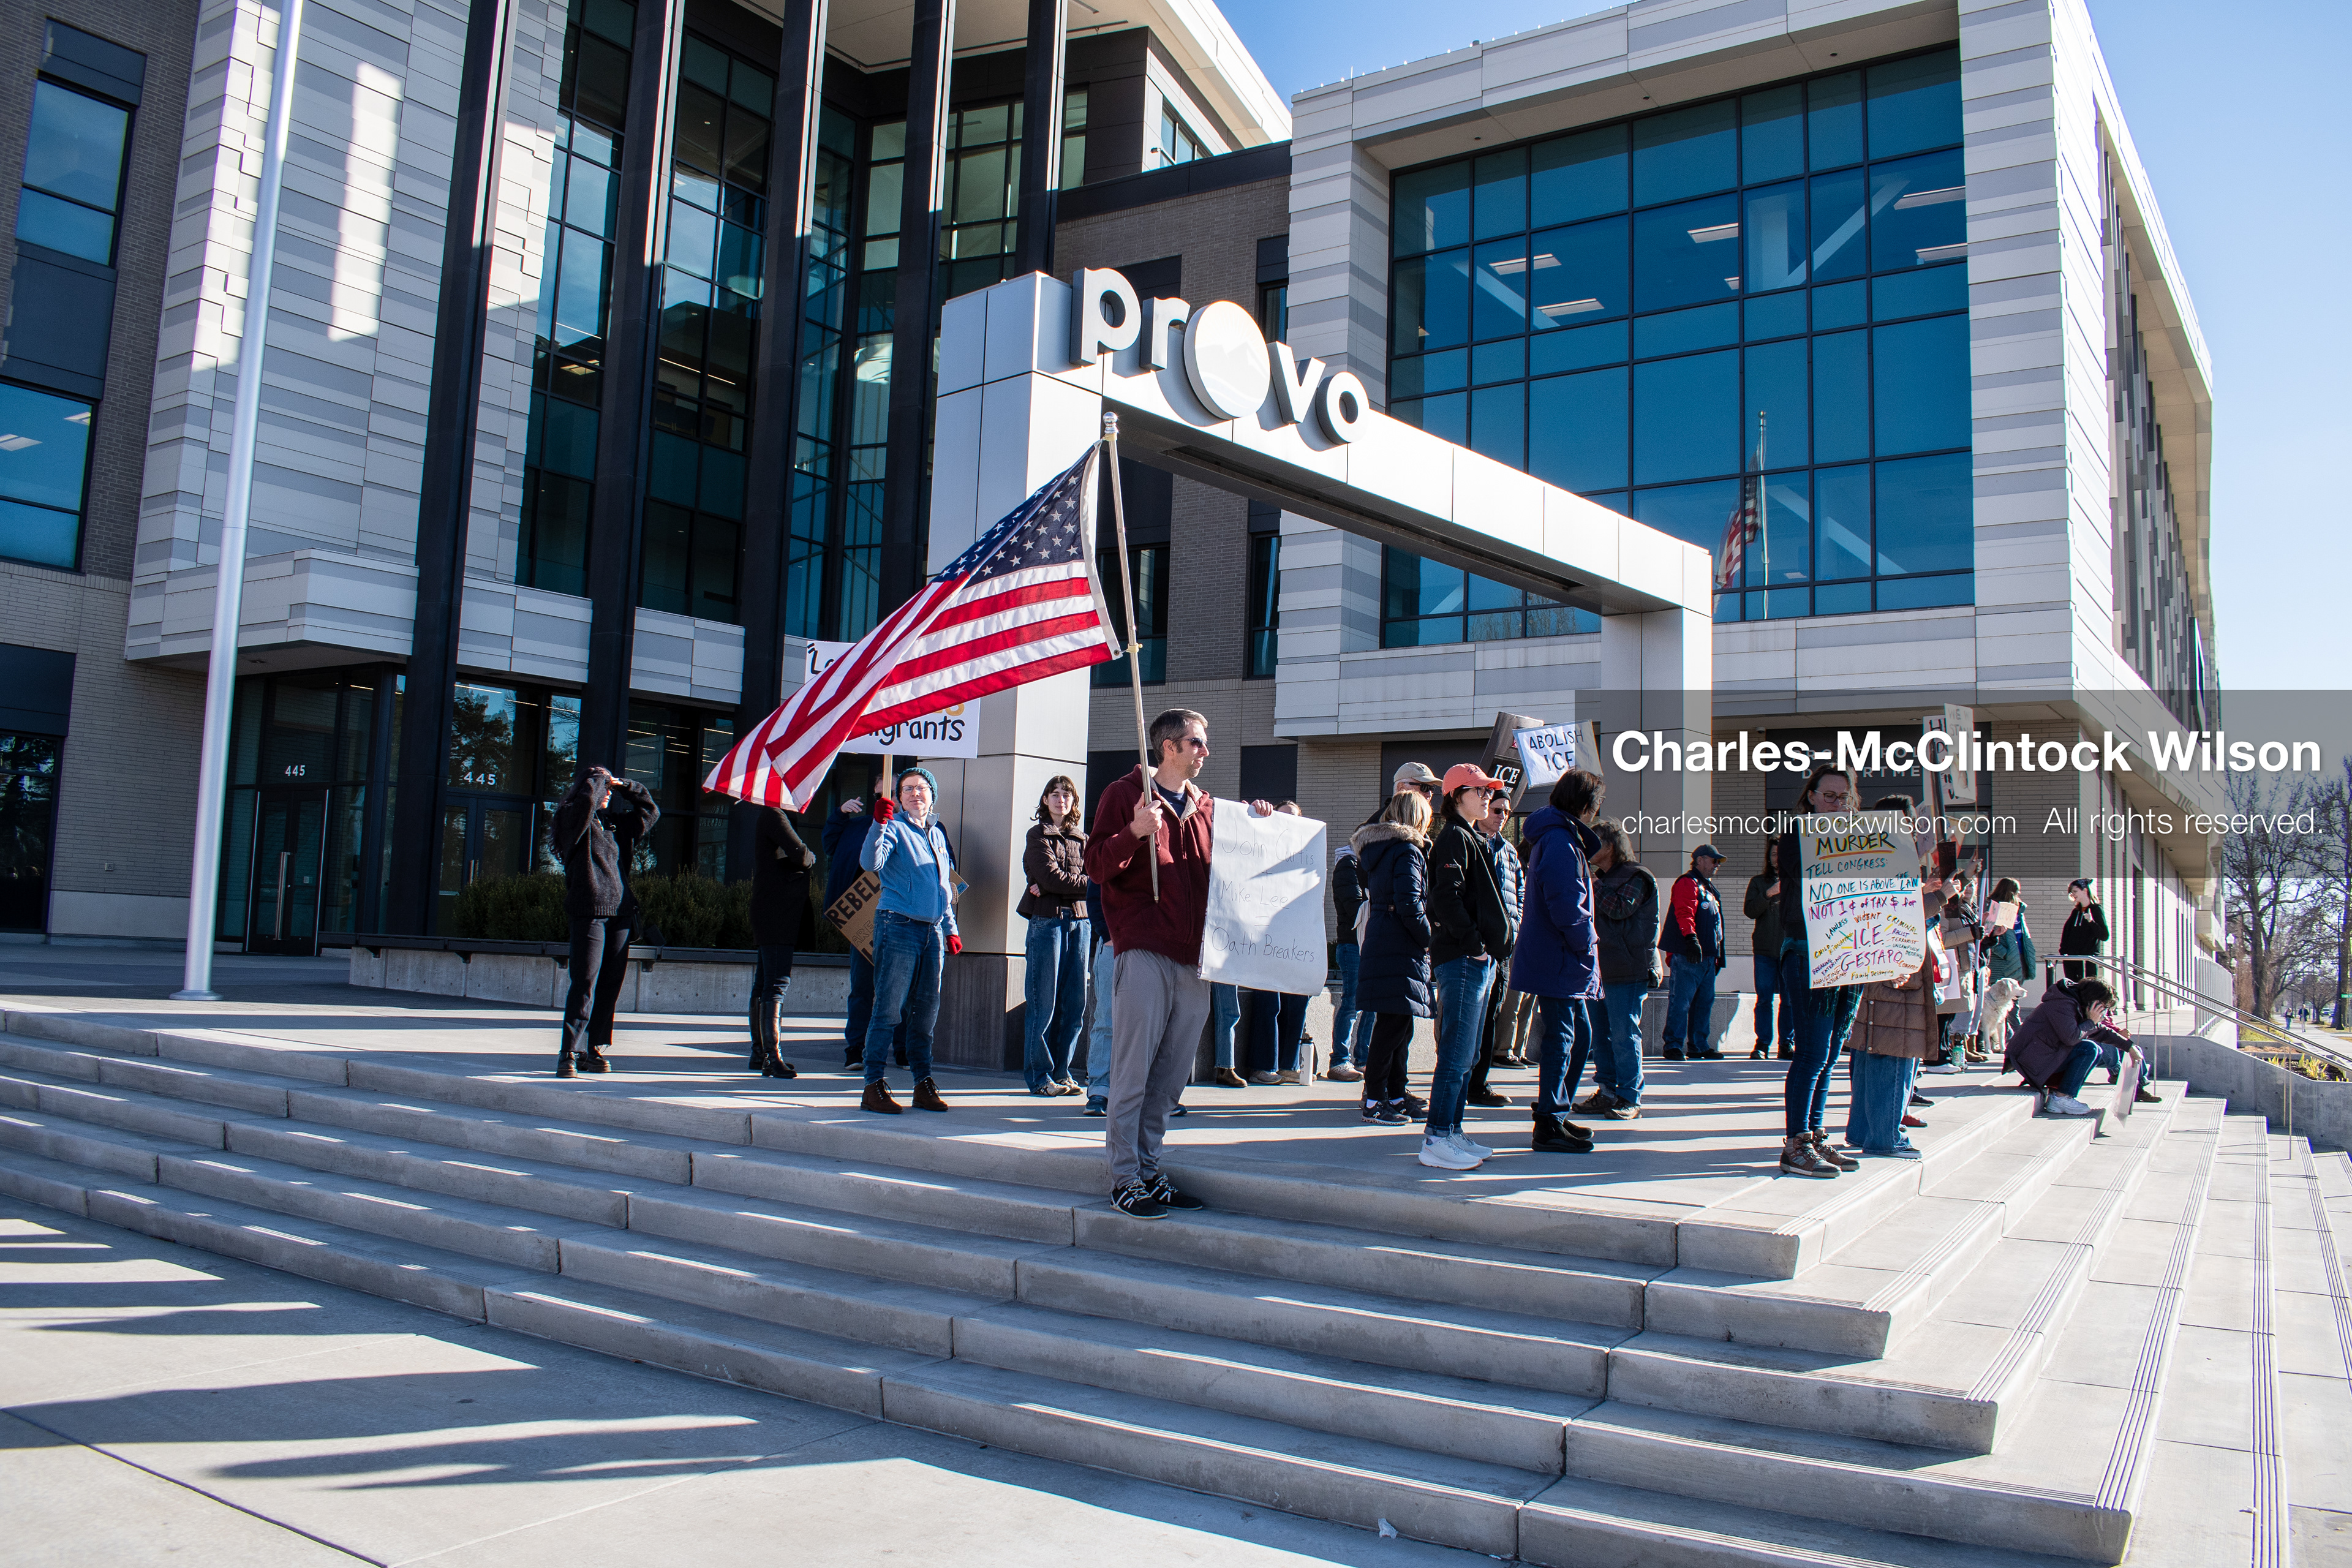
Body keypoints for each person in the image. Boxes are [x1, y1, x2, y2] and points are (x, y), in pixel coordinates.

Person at [1085, 707, 1273, 1219]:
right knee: (1132, 1073)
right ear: (1168, 747)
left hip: (1196, 959)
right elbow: (1096, 866)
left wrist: (1264, 824)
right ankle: (1124, 1178)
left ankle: (1149, 1169)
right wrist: (1132, 833)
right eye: (1196, 743)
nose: (1204, 752)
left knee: (1170, 1078)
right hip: (1144, 949)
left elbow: (1236, 867)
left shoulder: (1210, 808)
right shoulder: (1125, 796)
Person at [1423, 764, 1515, 1169]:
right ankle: (1437, 1137)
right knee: (1457, 1053)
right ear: (1457, 794)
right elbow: (1446, 898)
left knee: (1467, 1053)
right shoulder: (1455, 837)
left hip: (1474, 959)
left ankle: (1452, 1131)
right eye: (1479, 791)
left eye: (1488, 791)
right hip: (1463, 959)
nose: (1487, 798)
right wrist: (1475, 944)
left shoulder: (1467, 836)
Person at [1510, 768, 1606, 1155]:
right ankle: (1550, 1120)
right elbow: (1567, 904)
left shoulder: (1558, 837)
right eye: (1597, 804)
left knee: (1577, 1037)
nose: (1598, 811)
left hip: (1561, 956)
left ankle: (1556, 1114)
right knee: (1564, 1039)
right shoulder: (1561, 841)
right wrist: (1587, 943)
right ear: (1586, 805)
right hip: (1562, 957)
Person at [1777, 764, 1863, 1178]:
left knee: (1830, 1054)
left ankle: (1813, 1135)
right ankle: (1795, 1143)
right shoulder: (1796, 833)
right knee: (1812, 1052)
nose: (1836, 803)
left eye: (1843, 797)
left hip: (1845, 949)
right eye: (1828, 796)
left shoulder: (1860, 839)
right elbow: (1806, 873)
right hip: (1807, 950)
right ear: (1811, 796)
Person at [856, 767, 958, 1114]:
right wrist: (878, 824)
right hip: (898, 926)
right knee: (888, 1009)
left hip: (931, 933)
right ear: (898, 799)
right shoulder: (894, 827)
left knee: (926, 1012)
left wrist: (950, 928)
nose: (915, 793)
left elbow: (944, 888)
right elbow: (870, 862)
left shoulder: (938, 835)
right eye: (907, 789)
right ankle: (873, 1085)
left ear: (932, 795)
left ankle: (922, 1082)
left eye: (922, 788)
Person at [550, 764, 659, 1077]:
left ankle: (594, 1048)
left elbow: (650, 811)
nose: (608, 793)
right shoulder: (572, 820)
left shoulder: (614, 823)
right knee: (584, 981)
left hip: (621, 914)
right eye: (604, 789)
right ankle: (569, 1051)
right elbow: (584, 804)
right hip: (590, 912)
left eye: (609, 789)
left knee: (611, 983)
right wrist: (598, 779)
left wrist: (624, 783)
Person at [1352, 790, 1436, 1132]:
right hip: (1400, 945)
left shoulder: (1381, 850)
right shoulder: (1408, 850)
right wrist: (1431, 939)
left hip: (1384, 939)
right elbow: (1411, 904)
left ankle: (1395, 1095)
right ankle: (1376, 1100)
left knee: (1397, 1026)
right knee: (1392, 1029)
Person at [823, 773, 905, 1071]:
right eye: (884, 793)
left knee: (903, 990)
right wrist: (839, 815)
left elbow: (944, 865)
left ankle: (904, 1049)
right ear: (875, 793)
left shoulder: (922, 828)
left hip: (905, 920)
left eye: (896, 791)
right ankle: (855, 1049)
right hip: (866, 920)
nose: (891, 798)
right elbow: (831, 846)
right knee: (862, 988)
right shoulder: (859, 827)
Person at [1580, 820, 1656, 1119]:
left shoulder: (1638, 876)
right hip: (1600, 970)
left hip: (1628, 970)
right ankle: (1607, 1091)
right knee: (1602, 1036)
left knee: (1625, 1035)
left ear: (1611, 846)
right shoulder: (1602, 877)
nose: (1589, 848)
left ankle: (1629, 1096)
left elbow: (1619, 908)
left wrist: (1592, 883)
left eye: (1595, 841)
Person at [1020, 775, 1090, 1096]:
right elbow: (1050, 879)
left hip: (1081, 924)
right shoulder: (1037, 835)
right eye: (1055, 794)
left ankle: (1062, 1073)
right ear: (1045, 800)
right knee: (1043, 1003)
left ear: (1074, 802)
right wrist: (1088, 885)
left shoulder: (1085, 839)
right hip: (1048, 923)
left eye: (1067, 795)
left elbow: (1094, 875)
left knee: (1075, 1004)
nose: (1061, 800)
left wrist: (1059, 883)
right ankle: (1040, 1077)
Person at [1465, 790, 1524, 1109]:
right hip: (1474, 948)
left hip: (1501, 949)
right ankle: (1460, 1080)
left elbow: (1520, 892)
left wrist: (1514, 929)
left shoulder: (1510, 852)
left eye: (1506, 812)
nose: (1502, 816)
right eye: (1497, 810)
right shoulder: (1469, 843)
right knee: (1467, 1018)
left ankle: (1479, 1082)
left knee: (1491, 1015)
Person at [746, 802, 813, 1079]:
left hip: (770, 911)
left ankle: (759, 1052)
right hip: (778, 914)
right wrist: (809, 856)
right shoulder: (774, 814)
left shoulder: (769, 816)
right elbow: (801, 854)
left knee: (764, 983)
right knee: (776, 983)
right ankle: (772, 1058)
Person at [2005, 979, 2125, 1117]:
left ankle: (2061, 1096)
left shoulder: (2076, 1004)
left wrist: (2130, 1047)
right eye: (2103, 1008)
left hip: (2043, 1056)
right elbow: (2071, 1038)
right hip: (2030, 1061)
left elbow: (2101, 1031)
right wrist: (2091, 1021)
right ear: (2094, 1002)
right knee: (2090, 1049)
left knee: (2095, 1048)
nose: (2103, 1013)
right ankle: (2061, 1098)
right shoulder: (2062, 1004)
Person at [1659, 845, 1728, 1060]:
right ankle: (1673, 1045)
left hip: (1708, 958)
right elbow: (1684, 911)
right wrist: (1691, 939)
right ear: (1700, 860)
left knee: (1703, 1003)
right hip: (1689, 956)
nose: (1717, 865)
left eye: (1718, 861)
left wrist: (1717, 956)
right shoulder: (1688, 882)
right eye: (1713, 860)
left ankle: (1698, 1045)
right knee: (1682, 1001)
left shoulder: (1707, 887)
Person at [1744, 840, 1795, 1060]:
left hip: (1790, 950)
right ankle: (1762, 1044)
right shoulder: (1758, 882)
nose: (1777, 858)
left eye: (1781, 854)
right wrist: (1769, 893)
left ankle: (1787, 1044)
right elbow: (1750, 911)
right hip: (1764, 951)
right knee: (1764, 998)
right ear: (1769, 857)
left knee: (1790, 1000)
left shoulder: (1796, 881)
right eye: (1774, 854)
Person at [1327, 826, 1370, 1083]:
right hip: (1353, 945)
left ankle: (1363, 1059)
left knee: (1372, 1006)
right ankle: (1340, 1061)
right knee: (1352, 1001)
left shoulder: (1370, 866)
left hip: (1372, 943)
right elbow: (1355, 907)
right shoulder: (1348, 865)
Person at [1983, 878, 2038, 1032]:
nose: (2019, 895)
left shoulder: (2019, 912)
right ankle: (2011, 1037)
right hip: (2002, 965)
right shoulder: (1994, 909)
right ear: (2010, 892)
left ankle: (2011, 1037)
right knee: (1998, 1003)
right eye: (2017, 892)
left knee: (2014, 1003)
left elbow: (2023, 938)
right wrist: (2005, 953)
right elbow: (1988, 935)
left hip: (2019, 961)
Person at [1080, 875, 1112, 1117]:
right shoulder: (1112, 838)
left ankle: (1156, 1094)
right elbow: (1095, 892)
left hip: (1156, 946)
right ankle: (1100, 1090)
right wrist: (1109, 935)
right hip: (1116, 944)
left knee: (1156, 1025)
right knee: (1107, 1019)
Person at [2059, 879, 2108, 982]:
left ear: (2085, 890)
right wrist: (2063, 951)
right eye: (2071, 892)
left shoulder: (2096, 909)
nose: (2073, 894)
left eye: (2075, 891)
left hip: (2088, 960)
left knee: (2087, 989)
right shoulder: (2076, 912)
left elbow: (2104, 935)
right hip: (2072, 959)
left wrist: (2091, 922)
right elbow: (2067, 932)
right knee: (2073, 987)